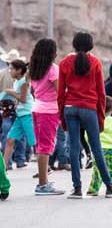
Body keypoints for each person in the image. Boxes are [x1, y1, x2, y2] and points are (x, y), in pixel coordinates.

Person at [58, 31, 112, 199]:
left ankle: (77, 188)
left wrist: (62, 118)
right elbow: (101, 94)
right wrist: (101, 119)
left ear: (74, 44)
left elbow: (60, 93)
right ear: (90, 45)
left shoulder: (65, 63)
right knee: (96, 148)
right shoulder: (95, 62)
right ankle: (110, 187)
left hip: (70, 108)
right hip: (89, 109)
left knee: (74, 149)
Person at [28, 38, 65, 195]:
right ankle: (43, 185)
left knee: (41, 147)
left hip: (37, 109)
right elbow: (60, 92)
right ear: (52, 52)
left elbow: (32, 92)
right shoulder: (52, 69)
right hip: (49, 112)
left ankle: (43, 182)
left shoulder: (34, 69)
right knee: (46, 147)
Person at [2, 60, 35, 172]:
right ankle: (3, 167)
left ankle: (46, 167)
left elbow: (23, 99)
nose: (10, 71)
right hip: (20, 116)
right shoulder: (17, 82)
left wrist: (10, 93)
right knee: (10, 140)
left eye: (12, 69)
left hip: (28, 115)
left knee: (34, 141)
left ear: (19, 70)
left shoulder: (23, 83)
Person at [86, 96, 112, 197]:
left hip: (97, 149)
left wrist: (89, 142)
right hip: (110, 149)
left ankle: (93, 189)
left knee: (97, 170)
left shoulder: (95, 120)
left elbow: (87, 134)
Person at [0, 49, 25, 170]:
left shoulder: (1, 73)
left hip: (5, 106)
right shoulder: (21, 75)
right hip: (19, 105)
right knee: (21, 133)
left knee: (7, 133)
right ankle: (20, 159)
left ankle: (8, 162)